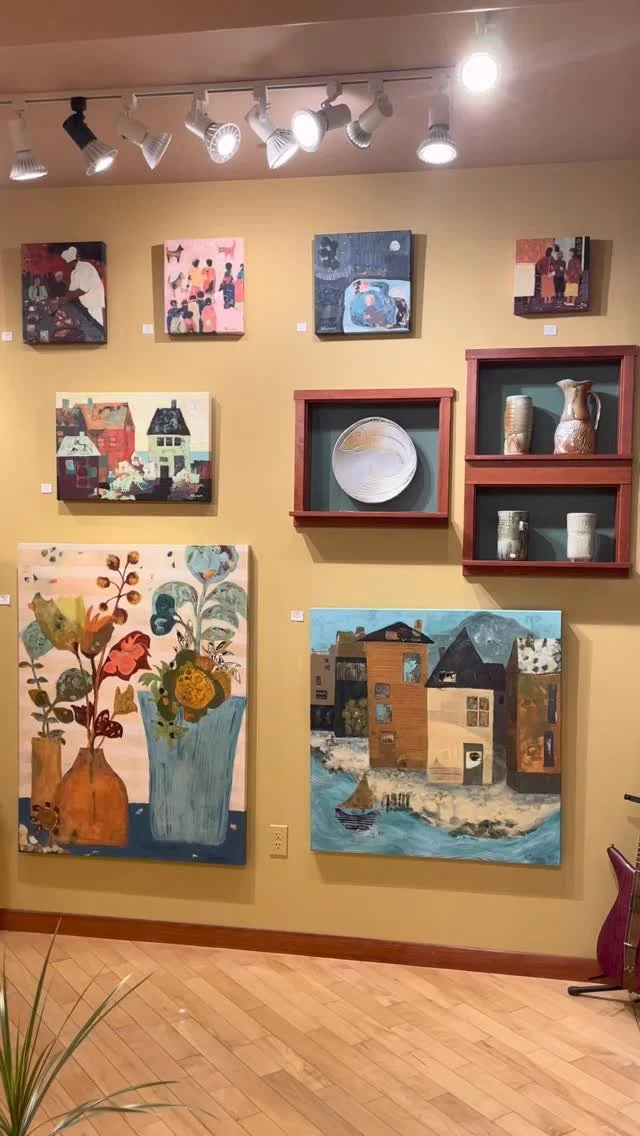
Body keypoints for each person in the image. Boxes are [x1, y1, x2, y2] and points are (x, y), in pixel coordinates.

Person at [60, 246, 106, 327]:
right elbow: (72, 290)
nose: (69, 266)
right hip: (88, 305)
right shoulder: (74, 272)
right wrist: (64, 298)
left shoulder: (85, 267)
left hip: (96, 304)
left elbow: (83, 290)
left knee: (99, 327)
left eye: (69, 264)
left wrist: (66, 298)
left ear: (73, 261)